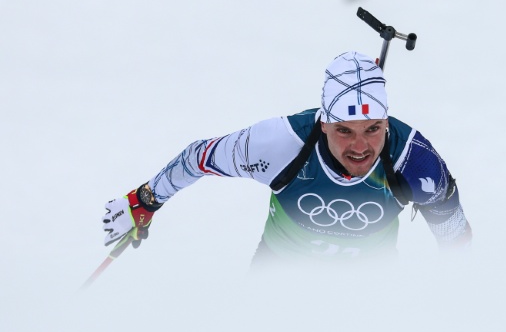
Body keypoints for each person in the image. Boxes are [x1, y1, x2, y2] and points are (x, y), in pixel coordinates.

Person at [102, 51, 471, 265]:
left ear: (386, 122)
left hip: (368, 290)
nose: (360, 146)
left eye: (373, 129)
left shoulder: (415, 162)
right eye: (345, 130)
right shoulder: (279, 144)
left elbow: (456, 241)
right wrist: (146, 199)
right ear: (323, 123)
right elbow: (200, 157)